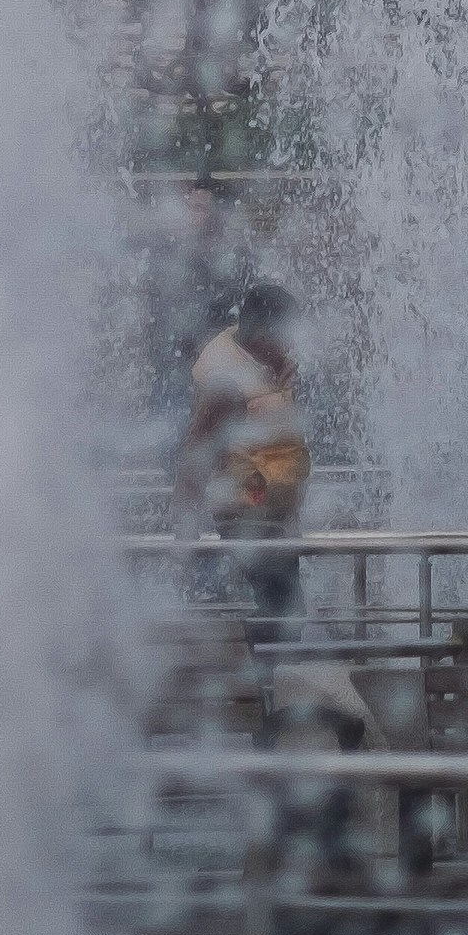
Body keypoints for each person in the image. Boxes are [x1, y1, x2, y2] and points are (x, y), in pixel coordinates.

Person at [181, 280, 313, 659]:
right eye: (285, 333)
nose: (292, 342)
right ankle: (266, 688)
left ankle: (269, 687)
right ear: (263, 331)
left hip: (270, 513)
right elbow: (197, 449)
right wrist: (184, 525)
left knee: (285, 610)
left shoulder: (259, 361)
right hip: (248, 514)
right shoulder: (225, 379)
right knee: (283, 612)